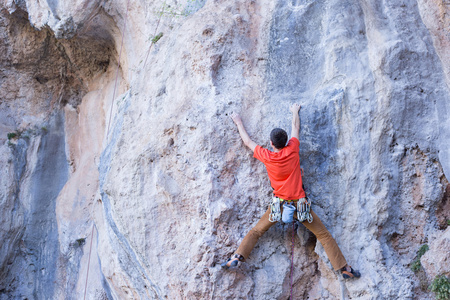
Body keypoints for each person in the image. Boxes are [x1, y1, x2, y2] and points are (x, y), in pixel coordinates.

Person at [221, 103, 360, 279]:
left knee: (256, 231)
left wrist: (238, 121)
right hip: (300, 206)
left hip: (279, 206)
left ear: (271, 143)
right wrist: (295, 111)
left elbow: (248, 142)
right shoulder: (293, 149)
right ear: (286, 142)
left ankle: (237, 256)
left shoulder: (267, 156)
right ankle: (344, 268)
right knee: (323, 235)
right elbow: (295, 127)